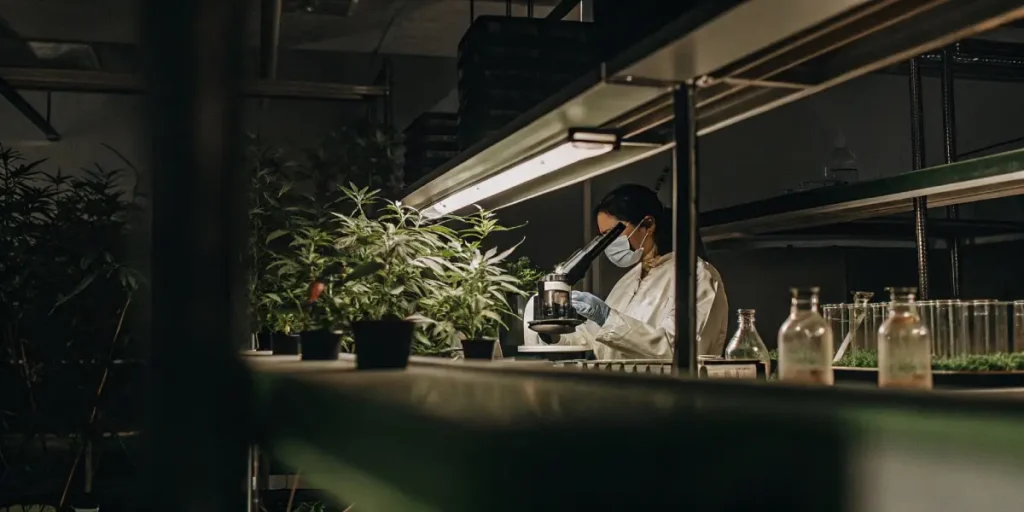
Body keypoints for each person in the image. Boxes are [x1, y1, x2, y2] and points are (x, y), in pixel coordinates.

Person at [523, 184, 729, 359]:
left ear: (648, 224)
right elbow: (595, 340)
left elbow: (679, 351)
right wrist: (553, 331)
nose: (608, 244)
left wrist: (606, 317)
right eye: (603, 236)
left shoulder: (696, 276)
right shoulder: (630, 280)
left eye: (613, 234)